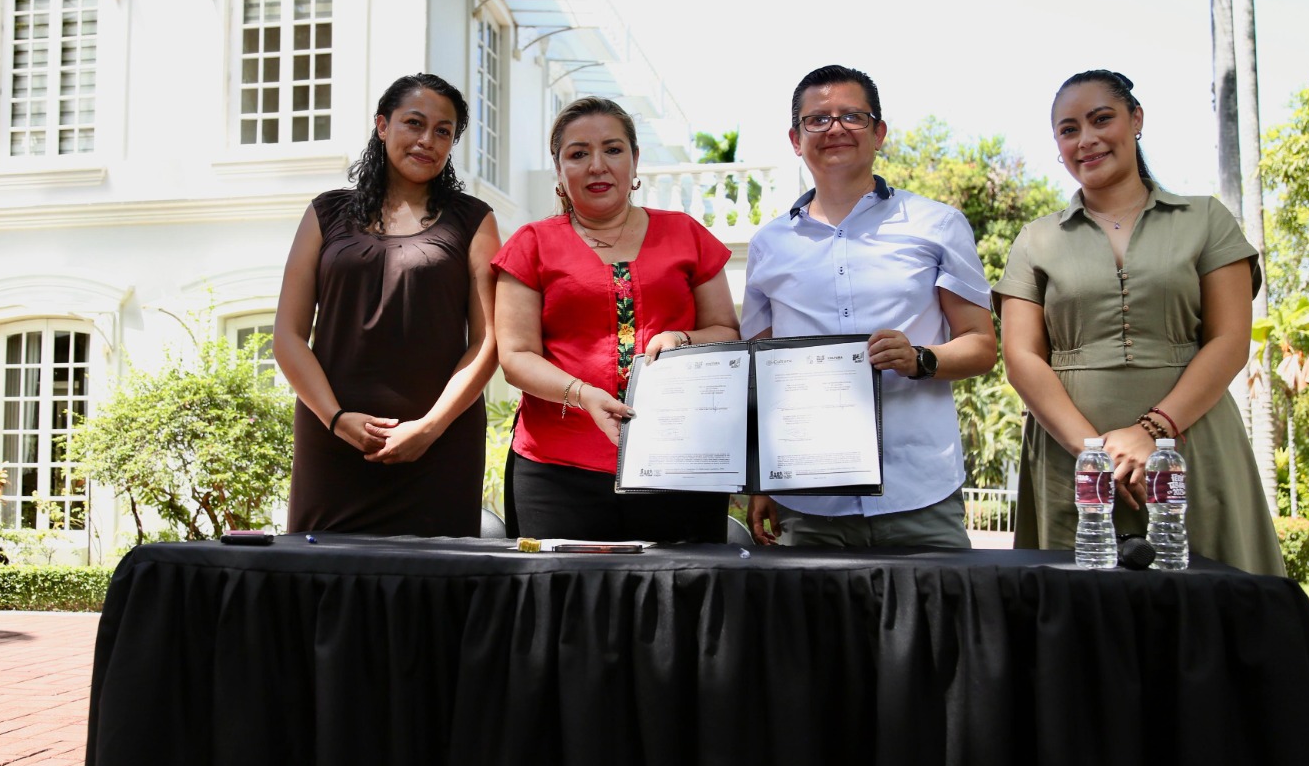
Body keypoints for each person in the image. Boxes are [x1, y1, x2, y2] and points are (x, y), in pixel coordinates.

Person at [995, 68, 1283, 575]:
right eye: (1068, 129)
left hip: (1191, 446)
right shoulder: (1035, 239)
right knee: (1080, 622)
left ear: (1136, 120)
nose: (1086, 140)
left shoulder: (1206, 219)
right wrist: (1095, 456)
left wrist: (1154, 431)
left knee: (1206, 607)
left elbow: (1230, 339)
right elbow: (1020, 358)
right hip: (1071, 462)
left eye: (1101, 119)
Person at [743, 65, 997, 547]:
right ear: (795, 140)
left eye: (852, 116)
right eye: (817, 120)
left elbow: (983, 346)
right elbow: (761, 372)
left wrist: (921, 358)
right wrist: (760, 477)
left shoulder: (938, 224)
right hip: (808, 497)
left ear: (879, 132)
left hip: (919, 490)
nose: (835, 128)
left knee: (935, 623)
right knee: (813, 626)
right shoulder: (768, 244)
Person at [493, 96, 739, 542]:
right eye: (578, 153)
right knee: (567, 605)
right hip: (556, 470)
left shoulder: (686, 235)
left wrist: (682, 338)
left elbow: (726, 332)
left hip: (680, 461)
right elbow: (514, 356)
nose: (596, 165)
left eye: (612, 149)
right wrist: (581, 393)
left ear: (635, 159)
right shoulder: (531, 245)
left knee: (677, 602)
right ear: (559, 170)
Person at [274, 73, 500, 536]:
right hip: (333, 442)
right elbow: (288, 335)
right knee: (325, 587)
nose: (427, 140)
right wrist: (336, 420)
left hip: (439, 446)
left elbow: (488, 342)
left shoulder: (474, 220)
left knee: (434, 594)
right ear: (382, 125)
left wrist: (429, 428)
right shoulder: (326, 212)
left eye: (443, 131)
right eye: (414, 123)